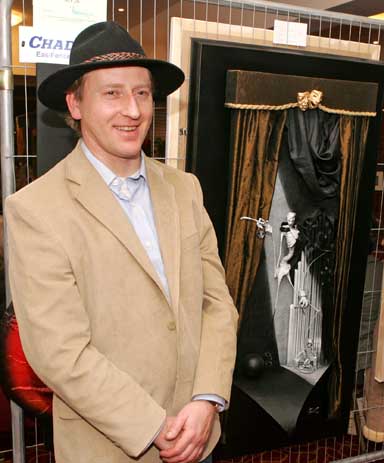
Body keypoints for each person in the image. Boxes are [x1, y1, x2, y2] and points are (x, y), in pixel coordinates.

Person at [5, 21, 238, 463]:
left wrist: (207, 399)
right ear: (75, 103)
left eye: (143, 93)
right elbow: (60, 352)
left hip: (199, 434)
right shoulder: (35, 210)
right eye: (112, 93)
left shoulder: (185, 189)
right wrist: (156, 427)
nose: (132, 110)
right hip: (110, 448)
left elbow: (216, 303)